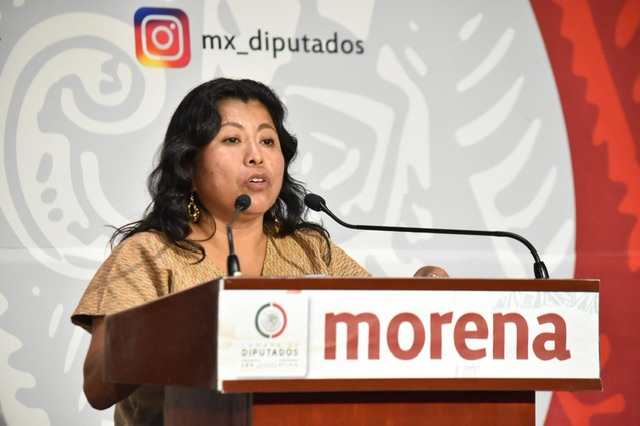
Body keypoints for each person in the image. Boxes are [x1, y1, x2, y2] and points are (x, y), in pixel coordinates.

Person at [71, 77, 447, 423]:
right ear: (189, 164)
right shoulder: (149, 255)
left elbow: (377, 329)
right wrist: (184, 325)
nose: (256, 156)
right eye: (232, 140)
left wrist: (420, 298)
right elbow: (97, 386)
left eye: (268, 141)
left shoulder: (309, 249)